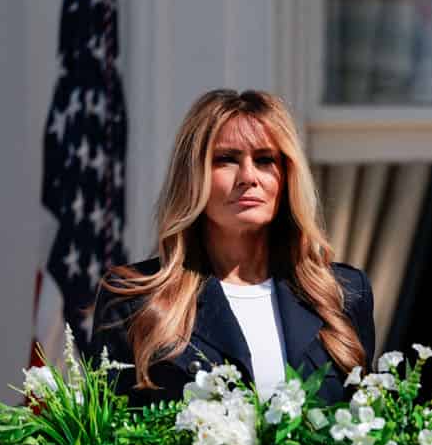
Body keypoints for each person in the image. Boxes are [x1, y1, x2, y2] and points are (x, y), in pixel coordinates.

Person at [93, 89, 375, 406]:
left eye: (265, 160)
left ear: (286, 176)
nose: (248, 177)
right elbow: (112, 444)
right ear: (192, 176)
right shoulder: (134, 299)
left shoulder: (342, 295)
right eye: (226, 160)